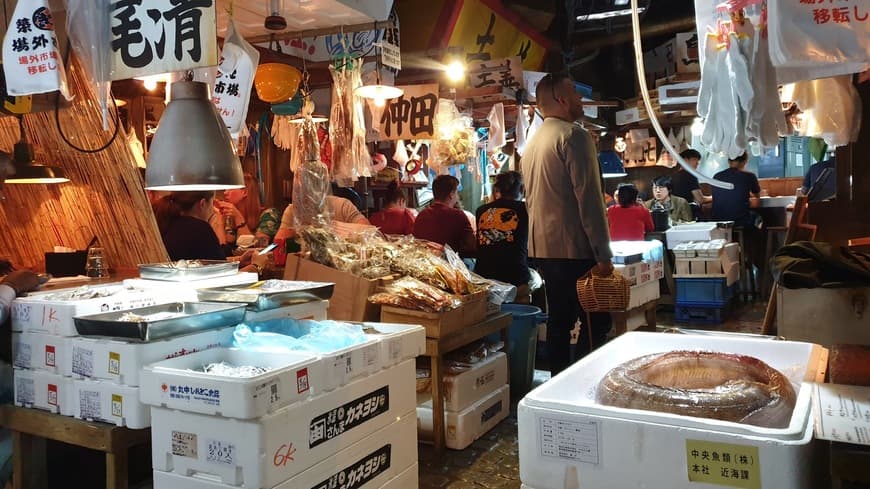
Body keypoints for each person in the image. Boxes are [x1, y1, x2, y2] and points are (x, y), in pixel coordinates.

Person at [520, 72, 613, 375]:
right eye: (575, 92)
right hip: (575, 249)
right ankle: (583, 381)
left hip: (543, 249)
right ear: (561, 99)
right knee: (596, 321)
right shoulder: (574, 136)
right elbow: (590, 200)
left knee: (560, 321)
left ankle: (558, 383)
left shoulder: (532, 145)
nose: (580, 99)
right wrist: (603, 254)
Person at [153, 191, 262, 272]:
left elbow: (208, 265)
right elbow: (222, 280)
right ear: (202, 204)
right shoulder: (199, 229)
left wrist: (239, 261)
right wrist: (257, 266)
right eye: (212, 204)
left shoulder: (166, 223)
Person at [475, 171, 530, 288]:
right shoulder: (525, 209)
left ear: (498, 190)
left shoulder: (481, 210)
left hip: (483, 276)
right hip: (516, 276)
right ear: (521, 189)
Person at [413, 175, 476, 255]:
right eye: (456, 193)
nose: (456, 197)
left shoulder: (422, 215)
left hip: (424, 263)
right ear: (451, 194)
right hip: (447, 265)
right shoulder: (457, 215)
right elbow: (472, 247)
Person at [274, 195, 371, 241]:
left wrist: (336, 231)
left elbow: (368, 231)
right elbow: (278, 242)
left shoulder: (342, 205)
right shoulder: (292, 210)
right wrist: (300, 231)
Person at [221, 173, 280, 244]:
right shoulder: (230, 217)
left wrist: (239, 218)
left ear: (244, 192)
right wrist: (220, 221)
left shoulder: (269, 214)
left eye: (230, 189)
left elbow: (260, 245)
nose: (225, 192)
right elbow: (226, 245)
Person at [711, 152, 761, 228]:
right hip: (740, 219)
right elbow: (757, 195)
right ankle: (756, 240)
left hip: (718, 219)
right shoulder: (749, 176)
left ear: (728, 161)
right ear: (745, 162)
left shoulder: (717, 176)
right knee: (760, 218)